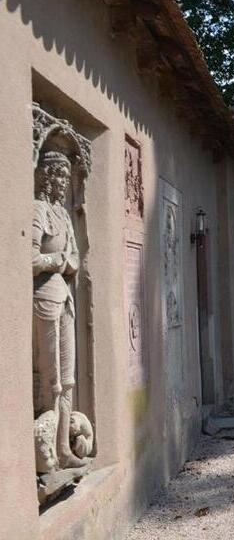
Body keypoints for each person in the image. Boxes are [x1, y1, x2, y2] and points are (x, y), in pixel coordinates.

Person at [32, 150, 86, 469]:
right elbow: (30, 259)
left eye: (67, 176)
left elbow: (76, 257)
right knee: (50, 379)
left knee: (68, 379)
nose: (64, 182)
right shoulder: (38, 210)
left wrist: (63, 262)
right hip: (43, 299)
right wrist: (58, 261)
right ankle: (47, 451)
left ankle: (64, 448)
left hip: (64, 298)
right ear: (47, 177)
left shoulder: (63, 215)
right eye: (60, 176)